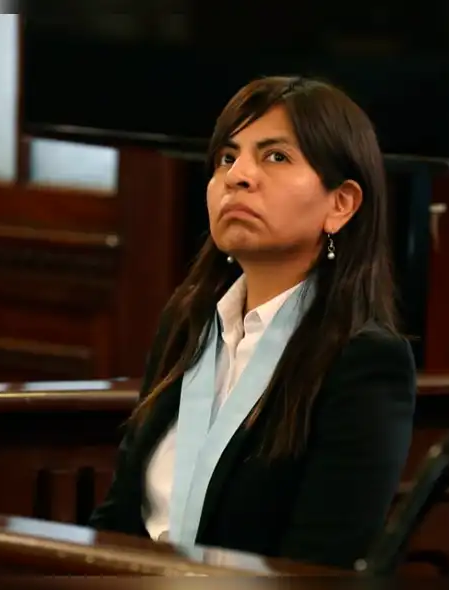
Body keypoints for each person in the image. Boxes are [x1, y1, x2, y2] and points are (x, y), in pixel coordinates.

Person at [88, 76, 417, 570]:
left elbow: (319, 566)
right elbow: (120, 515)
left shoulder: (365, 361)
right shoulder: (189, 321)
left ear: (341, 204)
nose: (238, 175)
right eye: (227, 157)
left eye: (276, 157)